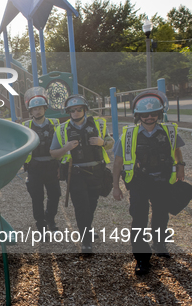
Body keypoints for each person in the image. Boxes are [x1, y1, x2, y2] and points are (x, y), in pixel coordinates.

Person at [112, 90, 186, 276]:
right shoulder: (128, 136)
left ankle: (159, 244)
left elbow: (176, 150)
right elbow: (118, 162)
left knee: (161, 216)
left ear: (159, 114)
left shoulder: (169, 131)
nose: (150, 117)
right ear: (138, 116)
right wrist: (115, 187)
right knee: (139, 219)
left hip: (162, 181)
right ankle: (142, 259)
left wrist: (181, 166)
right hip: (139, 183)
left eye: (154, 113)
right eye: (145, 114)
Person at [50, 95, 114, 254]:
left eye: (79, 109)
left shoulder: (98, 124)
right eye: (73, 110)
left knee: (92, 204)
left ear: (84, 110)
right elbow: (53, 153)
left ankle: (87, 229)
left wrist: (102, 143)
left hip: (96, 171)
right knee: (81, 207)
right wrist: (65, 148)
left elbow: (111, 143)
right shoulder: (62, 129)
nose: (76, 112)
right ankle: (86, 242)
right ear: (68, 112)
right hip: (75, 173)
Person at [22, 87, 61, 232]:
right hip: (34, 167)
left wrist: (60, 166)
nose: (37, 111)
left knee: (55, 195)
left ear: (45, 109)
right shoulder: (26, 127)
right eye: (34, 109)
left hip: (52, 165)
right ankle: (41, 224)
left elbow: (62, 145)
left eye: (40, 108)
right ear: (30, 111)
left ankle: (50, 219)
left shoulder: (55, 124)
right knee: (37, 198)